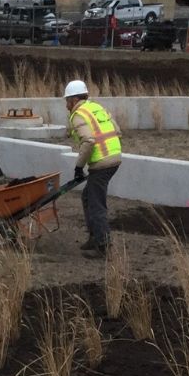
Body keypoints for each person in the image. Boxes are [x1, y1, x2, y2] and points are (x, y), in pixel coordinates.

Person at [63, 80, 122, 259]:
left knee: (96, 203)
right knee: (88, 196)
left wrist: (79, 167)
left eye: (67, 101)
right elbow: (117, 130)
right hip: (114, 157)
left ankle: (103, 246)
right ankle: (94, 237)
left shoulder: (78, 114)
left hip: (102, 162)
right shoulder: (96, 107)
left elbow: (88, 141)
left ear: (74, 99)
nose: (66, 105)